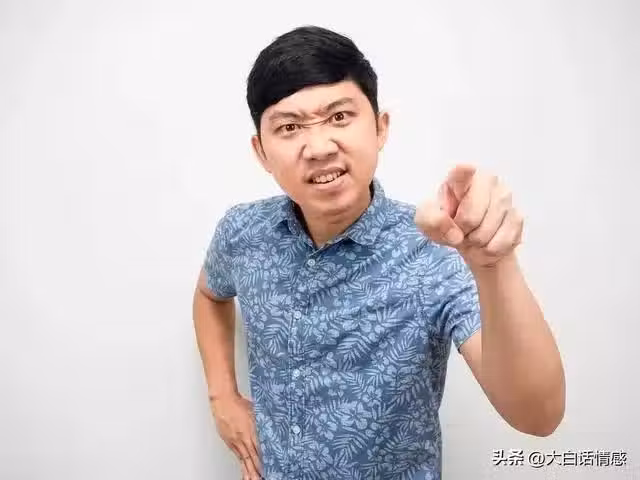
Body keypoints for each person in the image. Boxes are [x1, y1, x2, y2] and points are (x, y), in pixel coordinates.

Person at [192, 25, 565, 480]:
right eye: (289, 127)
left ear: (380, 126)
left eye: (339, 116)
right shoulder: (243, 231)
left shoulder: (436, 250)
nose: (319, 147)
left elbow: (539, 416)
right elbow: (210, 295)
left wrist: (494, 265)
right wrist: (223, 396)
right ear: (262, 152)